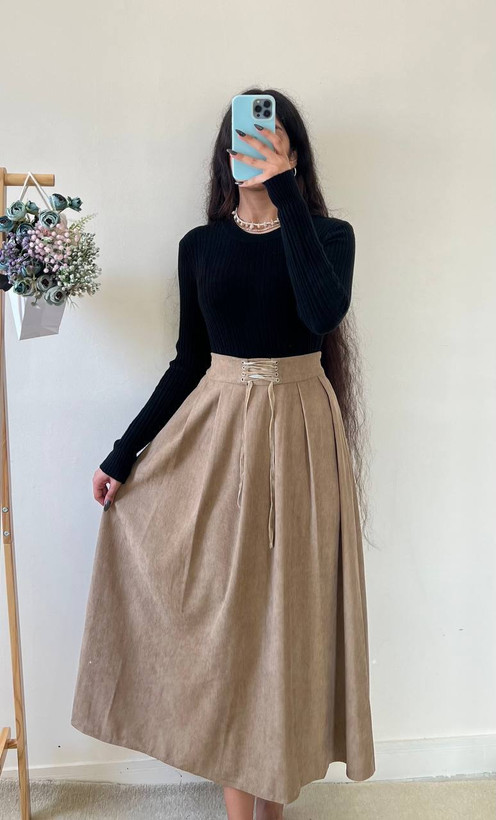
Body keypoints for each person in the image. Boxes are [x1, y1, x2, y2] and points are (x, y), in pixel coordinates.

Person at [71, 87, 375, 820]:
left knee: (288, 625)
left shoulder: (330, 236)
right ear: (225, 150)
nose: (254, 146)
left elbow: (322, 313)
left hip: (303, 441)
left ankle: (271, 805)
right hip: (217, 441)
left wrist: (285, 195)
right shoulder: (200, 247)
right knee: (232, 628)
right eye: (244, 136)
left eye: (270, 138)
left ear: (293, 152)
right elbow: (189, 361)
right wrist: (122, 454)